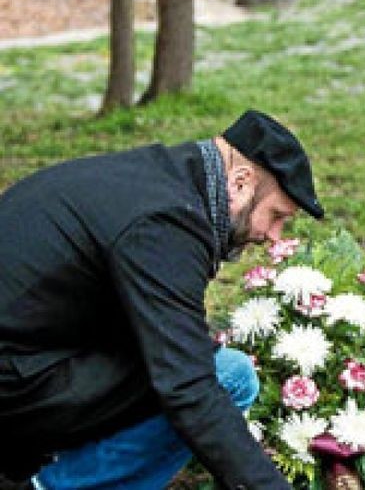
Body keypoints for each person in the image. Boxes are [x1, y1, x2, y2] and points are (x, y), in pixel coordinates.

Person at [0, 110, 324, 489]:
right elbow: (188, 385)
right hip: (15, 381)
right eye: (276, 216)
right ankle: (55, 485)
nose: (274, 235)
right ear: (240, 183)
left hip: (30, 355)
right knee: (229, 375)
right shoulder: (167, 224)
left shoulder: (156, 178)